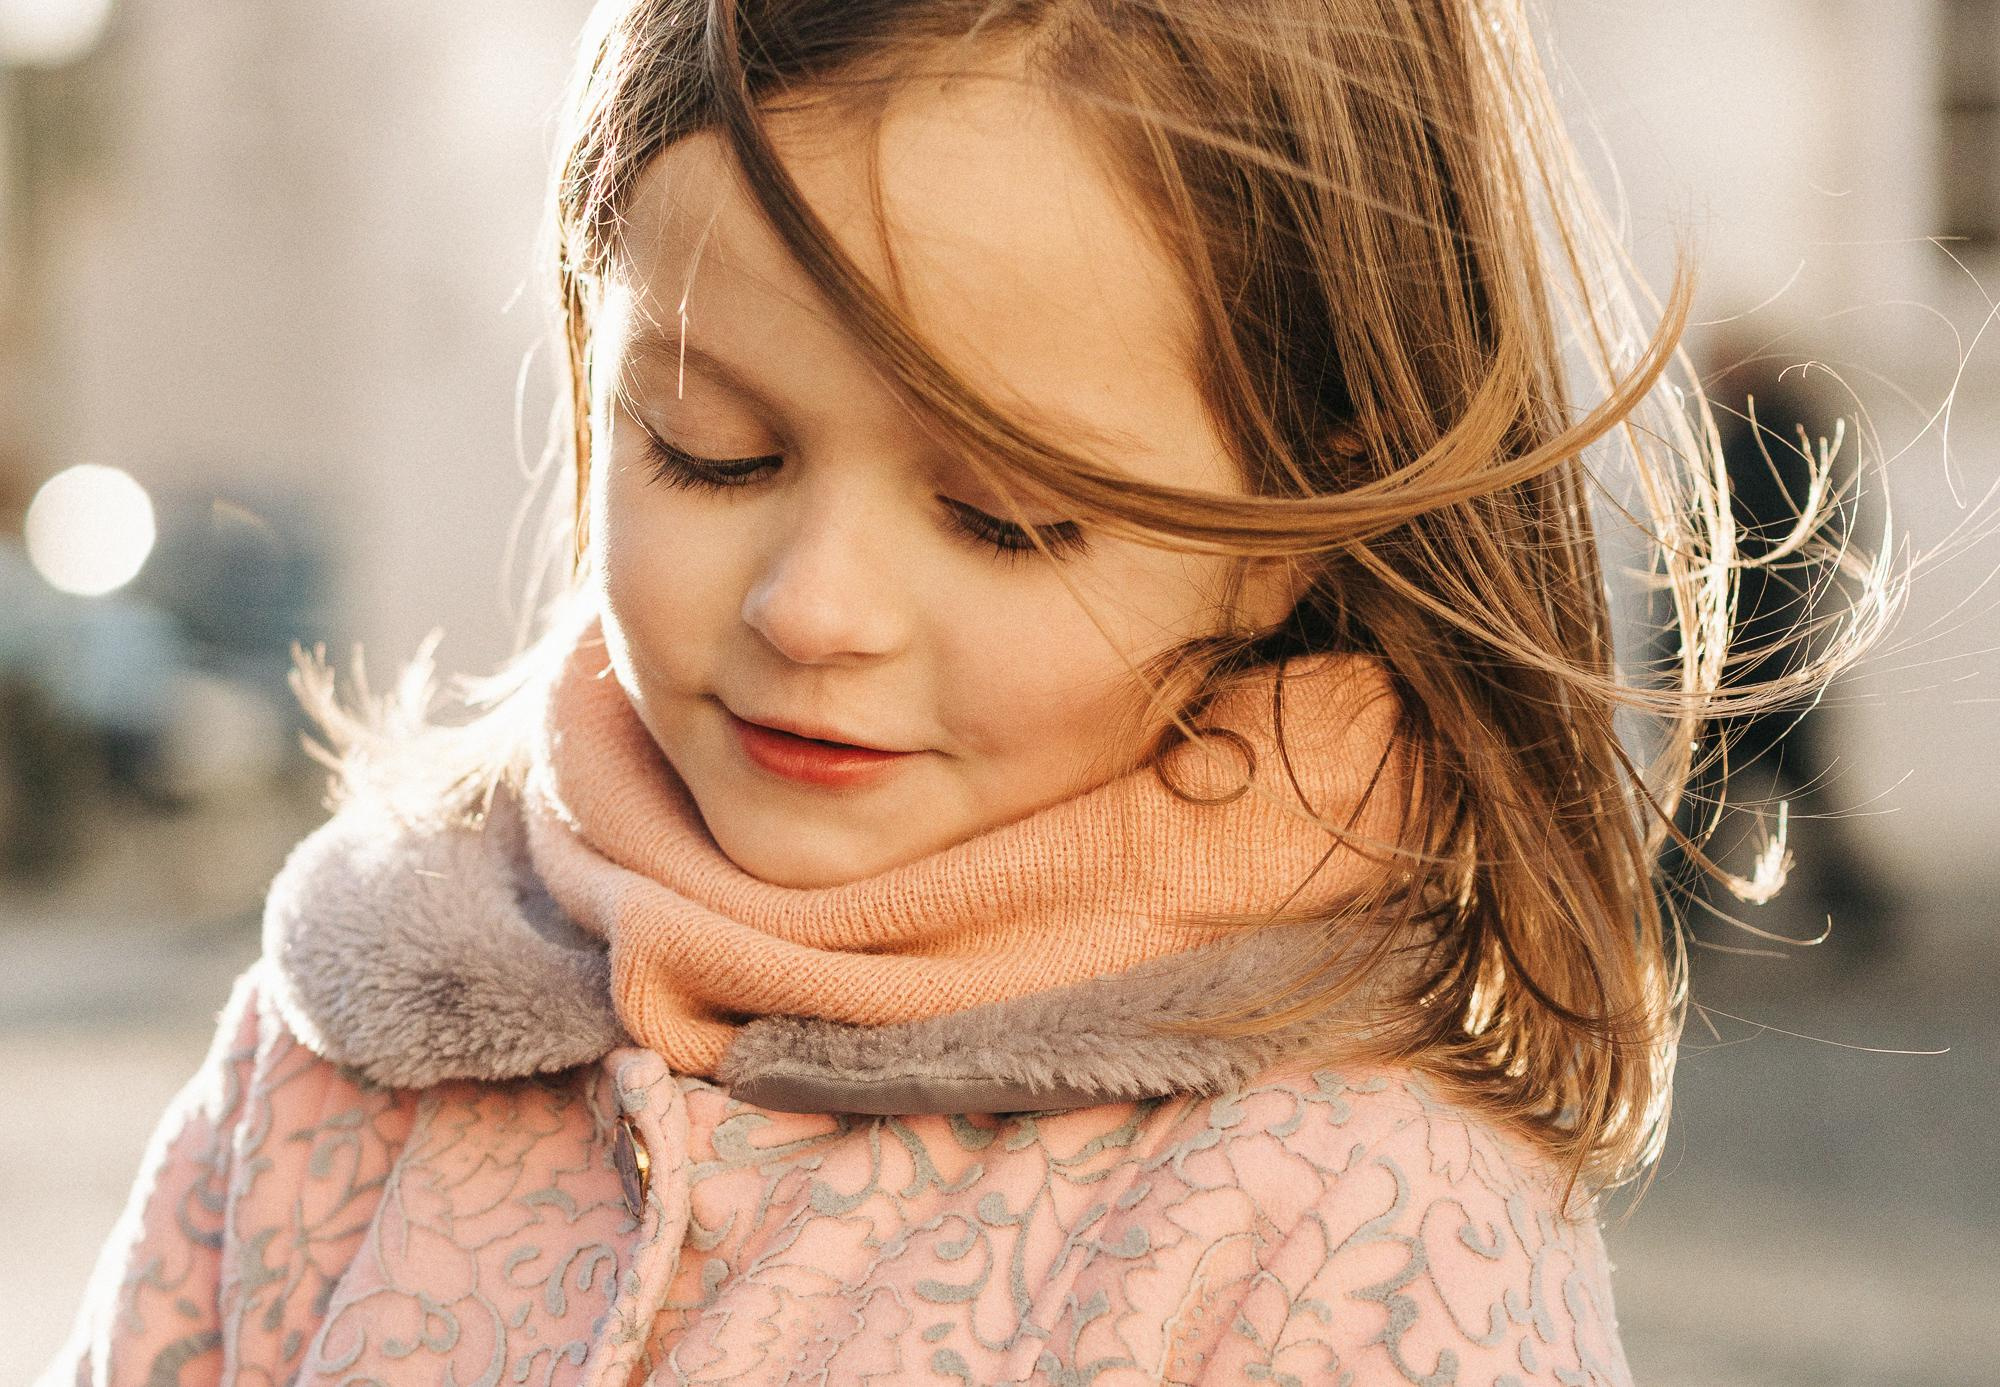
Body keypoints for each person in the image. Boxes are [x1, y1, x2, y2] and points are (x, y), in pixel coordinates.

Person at [37, 1, 1893, 1383]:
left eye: (1003, 519)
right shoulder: (353, 1031)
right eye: (712, 452)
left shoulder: (1344, 1216)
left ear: (1286, 525)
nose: (815, 607)